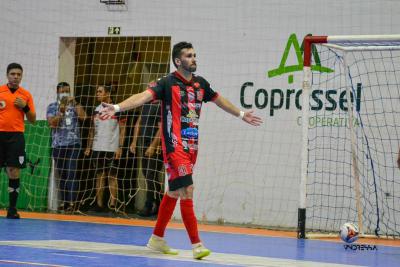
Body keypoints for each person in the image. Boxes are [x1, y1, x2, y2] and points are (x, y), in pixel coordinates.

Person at [100, 42, 262, 260]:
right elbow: (143, 96)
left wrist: (241, 114)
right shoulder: (166, 83)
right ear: (178, 61)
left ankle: (157, 239)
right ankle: (197, 245)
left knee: (174, 192)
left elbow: (218, 99)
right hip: (174, 146)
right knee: (188, 189)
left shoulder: (200, 84)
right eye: (189, 55)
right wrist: (118, 107)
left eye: (195, 55)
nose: (194, 58)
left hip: (192, 146)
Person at [0, 63, 36, 219]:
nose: (15, 77)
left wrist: (25, 107)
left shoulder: (25, 95)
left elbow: (33, 120)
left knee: (14, 172)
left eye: (18, 74)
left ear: (21, 76)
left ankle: (12, 209)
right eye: (13, 74)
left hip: (16, 136)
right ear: (7, 75)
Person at [84, 85, 127, 212]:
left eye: (100, 91)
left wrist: (120, 147)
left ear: (107, 93)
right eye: (96, 92)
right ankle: (99, 204)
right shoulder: (95, 110)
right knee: (99, 176)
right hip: (98, 148)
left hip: (112, 148)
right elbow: (92, 130)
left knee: (112, 176)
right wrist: (89, 146)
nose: (97, 94)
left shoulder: (117, 109)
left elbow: (123, 129)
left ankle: (113, 204)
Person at [47, 82, 87, 213]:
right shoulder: (52, 106)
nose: (65, 93)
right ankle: (64, 201)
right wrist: (61, 112)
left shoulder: (75, 105)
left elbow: (84, 117)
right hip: (58, 145)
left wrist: (75, 103)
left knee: (72, 173)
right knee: (62, 175)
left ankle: (73, 203)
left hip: (74, 144)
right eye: (62, 91)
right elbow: (52, 124)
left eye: (67, 91)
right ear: (57, 92)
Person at [130, 101, 163, 217]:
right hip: (143, 143)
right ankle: (160, 203)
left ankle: (148, 205)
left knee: (150, 175)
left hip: (155, 145)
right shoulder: (145, 105)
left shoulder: (160, 106)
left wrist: (153, 146)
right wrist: (134, 142)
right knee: (147, 174)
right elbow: (138, 123)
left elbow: (161, 128)